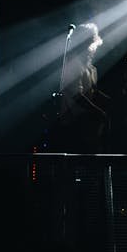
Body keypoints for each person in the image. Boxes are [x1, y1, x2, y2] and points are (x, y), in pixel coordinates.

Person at [45, 22, 109, 153]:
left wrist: (112, 101)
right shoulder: (73, 65)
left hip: (87, 123)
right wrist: (99, 112)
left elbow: (94, 92)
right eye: (92, 41)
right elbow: (77, 96)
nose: (95, 46)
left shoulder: (91, 68)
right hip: (74, 124)